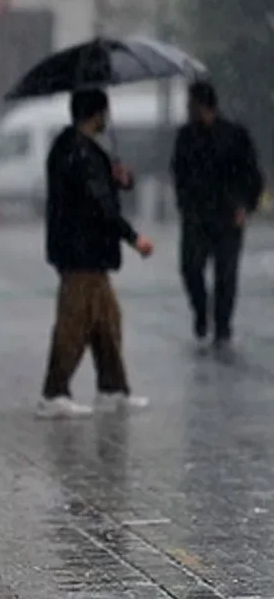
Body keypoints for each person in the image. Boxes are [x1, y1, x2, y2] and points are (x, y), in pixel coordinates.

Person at [38, 89, 154, 419]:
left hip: (87, 253)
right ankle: (53, 393)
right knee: (73, 325)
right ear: (96, 114)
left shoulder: (78, 150)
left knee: (106, 321)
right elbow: (99, 204)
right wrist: (134, 238)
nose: (108, 119)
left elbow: (100, 189)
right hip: (81, 254)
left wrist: (120, 178)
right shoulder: (79, 152)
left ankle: (112, 388)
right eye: (105, 112)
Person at [171, 82, 264, 349]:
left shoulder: (234, 136)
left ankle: (222, 326)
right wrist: (184, 204)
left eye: (191, 103)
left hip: (227, 213)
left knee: (226, 273)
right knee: (191, 268)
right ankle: (201, 311)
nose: (188, 109)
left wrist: (245, 205)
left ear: (202, 105)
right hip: (196, 214)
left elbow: (251, 174)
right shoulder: (186, 137)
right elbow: (178, 172)